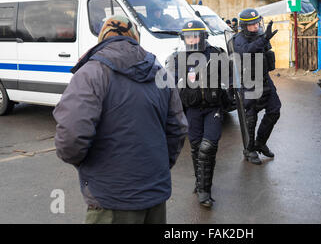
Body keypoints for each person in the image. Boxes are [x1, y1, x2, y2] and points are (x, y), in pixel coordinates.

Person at [53, 15, 188, 224]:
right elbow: (178, 128)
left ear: (102, 38)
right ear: (135, 37)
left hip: (111, 199)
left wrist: (86, 165)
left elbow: (70, 137)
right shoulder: (159, 71)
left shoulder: (91, 72)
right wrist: (158, 165)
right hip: (155, 194)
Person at [169, 20, 229, 208]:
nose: (192, 39)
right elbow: (170, 84)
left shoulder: (216, 54)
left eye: (195, 35)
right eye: (188, 36)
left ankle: (205, 191)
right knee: (196, 147)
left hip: (213, 108)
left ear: (203, 36)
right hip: (192, 110)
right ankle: (199, 182)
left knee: (207, 146)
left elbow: (229, 79)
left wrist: (228, 94)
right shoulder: (177, 58)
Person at [233, 8, 281, 165]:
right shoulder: (238, 39)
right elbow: (246, 51)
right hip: (249, 81)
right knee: (250, 118)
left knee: (274, 111)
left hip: (265, 79)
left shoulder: (261, 35)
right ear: (243, 26)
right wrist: (264, 39)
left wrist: (264, 39)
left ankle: (260, 142)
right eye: (251, 25)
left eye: (257, 23)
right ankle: (249, 149)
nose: (255, 27)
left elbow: (265, 51)